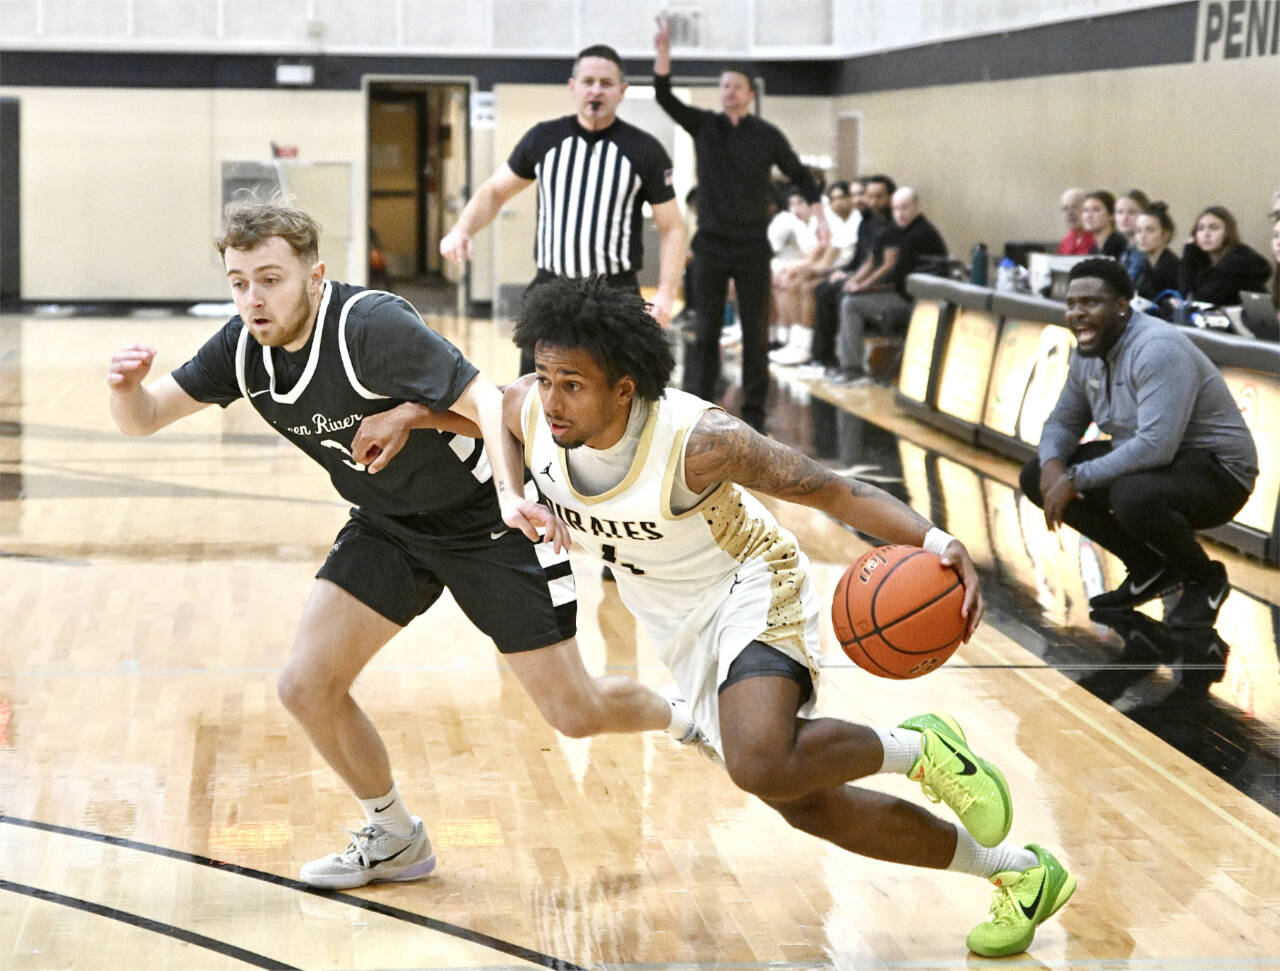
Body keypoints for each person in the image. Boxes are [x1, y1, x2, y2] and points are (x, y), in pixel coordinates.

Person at [106, 202, 698, 890]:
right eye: (239, 282)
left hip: (482, 519)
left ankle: (684, 714)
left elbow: (487, 399)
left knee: (575, 712)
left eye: (270, 278)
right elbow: (145, 417)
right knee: (306, 685)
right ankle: (393, 836)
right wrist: (124, 390)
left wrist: (511, 495)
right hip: (389, 524)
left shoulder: (370, 326)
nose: (252, 298)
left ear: (315, 275)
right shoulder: (243, 350)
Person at [493, 276, 1074, 959]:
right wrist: (447, 446)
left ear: (623, 388)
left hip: (751, 582)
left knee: (760, 757)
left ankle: (921, 749)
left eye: (572, 383)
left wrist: (938, 542)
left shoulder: (700, 440)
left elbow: (831, 489)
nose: (551, 400)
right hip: (678, 623)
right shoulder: (529, 408)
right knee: (805, 801)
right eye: (544, 375)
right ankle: (1018, 872)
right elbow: (486, 411)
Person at [1019, 258, 1257, 630]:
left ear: (1121, 305)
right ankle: (1149, 568)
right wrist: (1053, 465)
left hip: (1219, 472)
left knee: (1133, 494)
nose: (1078, 313)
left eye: (1090, 303)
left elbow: (1155, 446)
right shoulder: (1087, 352)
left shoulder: (1157, 348)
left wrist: (1075, 478)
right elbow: (1064, 420)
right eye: (1072, 304)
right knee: (1036, 474)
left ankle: (1205, 578)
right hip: (1160, 466)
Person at [440, 43, 686, 376]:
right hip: (552, 289)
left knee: (615, 387)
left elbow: (672, 227)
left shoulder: (644, 150)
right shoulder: (544, 139)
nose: (595, 90)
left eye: (606, 83)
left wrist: (668, 293)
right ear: (573, 87)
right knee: (535, 388)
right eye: (588, 81)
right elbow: (495, 192)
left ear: (622, 91)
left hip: (615, 291)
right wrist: (462, 229)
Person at [653, 16, 828, 433]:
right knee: (706, 328)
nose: (727, 91)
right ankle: (695, 406)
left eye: (735, 85)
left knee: (755, 333)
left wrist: (819, 214)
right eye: (724, 84)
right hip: (711, 245)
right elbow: (664, 97)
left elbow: (799, 172)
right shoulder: (705, 126)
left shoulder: (767, 135)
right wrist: (663, 54)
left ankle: (753, 412)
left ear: (749, 94)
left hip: (752, 247)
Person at [833, 186, 947, 384]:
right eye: (896, 209)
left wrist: (865, 288)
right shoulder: (902, 230)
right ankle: (844, 363)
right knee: (844, 296)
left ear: (917, 207)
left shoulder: (919, 234)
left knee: (851, 304)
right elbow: (878, 264)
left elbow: (896, 278)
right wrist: (859, 284)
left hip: (916, 301)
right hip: (906, 294)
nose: (899, 214)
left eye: (905, 208)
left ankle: (852, 368)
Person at [807, 175, 895, 374]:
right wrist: (846, 274)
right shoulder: (866, 223)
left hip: (883, 283)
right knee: (823, 288)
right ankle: (821, 356)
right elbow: (860, 259)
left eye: (863, 195)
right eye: (858, 195)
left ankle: (845, 360)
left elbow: (881, 264)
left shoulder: (891, 225)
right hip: (861, 274)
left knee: (841, 295)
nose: (862, 200)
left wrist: (855, 281)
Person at [1177, 205, 1271, 307]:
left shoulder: (1238, 261)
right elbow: (1186, 294)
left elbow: (1202, 299)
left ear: (1228, 232)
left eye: (1214, 228)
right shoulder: (1204, 261)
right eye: (1200, 228)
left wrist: (1189, 254)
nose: (1206, 234)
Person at [1130, 202, 1180, 310]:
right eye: (1139, 231)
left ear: (1166, 234)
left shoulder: (1174, 267)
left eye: (1150, 230)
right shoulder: (1142, 266)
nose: (1142, 236)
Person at [1079, 190, 1127, 259]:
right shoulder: (1093, 249)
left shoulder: (1120, 246)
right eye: (1086, 210)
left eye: (1096, 210)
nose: (1089, 216)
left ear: (1111, 215)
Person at [1055, 188, 1093, 256]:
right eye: (1065, 208)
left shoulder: (1097, 239)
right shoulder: (1066, 241)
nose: (1070, 213)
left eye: (1074, 207)